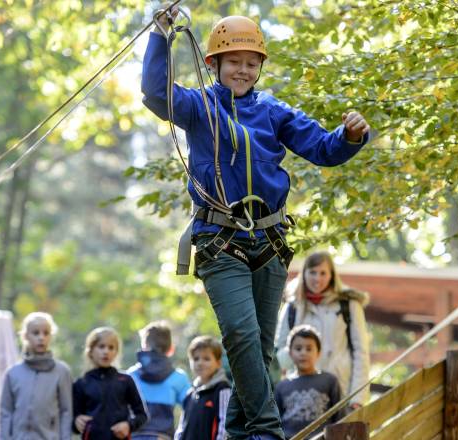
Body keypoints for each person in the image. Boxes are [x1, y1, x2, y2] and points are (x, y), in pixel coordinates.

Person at [143, 9, 373, 440]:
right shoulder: (199, 107)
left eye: (252, 62)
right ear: (213, 64)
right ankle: (268, 432)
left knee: (261, 348)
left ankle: (237, 432)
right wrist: (161, 34)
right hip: (219, 240)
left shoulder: (273, 112)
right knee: (241, 334)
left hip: (268, 240)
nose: (243, 70)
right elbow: (156, 93)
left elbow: (323, 150)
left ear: (260, 67)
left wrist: (350, 137)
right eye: (233, 62)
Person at [274, 252, 371, 407]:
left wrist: (358, 398)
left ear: (332, 275)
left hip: (340, 390)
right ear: (304, 273)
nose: (317, 279)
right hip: (301, 394)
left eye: (323, 273)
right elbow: (280, 349)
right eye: (312, 272)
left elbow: (361, 352)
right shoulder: (292, 307)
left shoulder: (349, 304)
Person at [0, 312, 73, 440]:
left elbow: (66, 412)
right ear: (26, 336)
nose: (41, 338)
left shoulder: (62, 371)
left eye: (46, 333)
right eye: (36, 333)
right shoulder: (13, 373)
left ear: (51, 336)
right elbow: (6, 412)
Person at [73, 327, 148, 440]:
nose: (106, 351)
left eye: (111, 347)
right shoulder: (81, 383)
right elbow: (73, 419)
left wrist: (128, 425)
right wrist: (76, 422)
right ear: (90, 351)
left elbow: (142, 415)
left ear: (116, 352)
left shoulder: (126, 380)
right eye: (101, 346)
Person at [126, 321, 191, 440]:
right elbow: (192, 410)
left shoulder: (130, 376)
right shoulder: (178, 377)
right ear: (171, 349)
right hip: (163, 437)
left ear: (144, 347)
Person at [275, 326, 342, 439]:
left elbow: (340, 417)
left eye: (309, 349)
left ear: (318, 352)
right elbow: (276, 422)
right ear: (290, 353)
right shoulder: (282, 386)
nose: (303, 353)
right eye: (298, 348)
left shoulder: (330, 381)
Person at [174, 336, 231, 440]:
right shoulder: (190, 393)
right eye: (196, 359)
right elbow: (181, 427)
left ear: (218, 363)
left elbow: (224, 425)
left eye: (206, 358)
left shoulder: (223, 390)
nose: (200, 363)